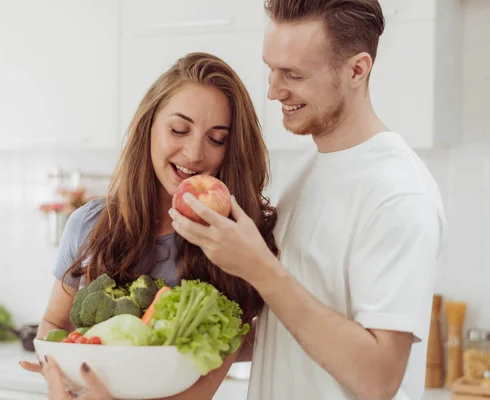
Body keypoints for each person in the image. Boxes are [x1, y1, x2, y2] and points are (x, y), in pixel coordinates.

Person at [170, 1, 448, 399]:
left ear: (357, 69)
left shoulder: (397, 193)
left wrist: (260, 268)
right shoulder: (307, 171)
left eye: (293, 75)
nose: (273, 90)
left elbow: (380, 377)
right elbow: (288, 333)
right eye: (271, 68)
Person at [19, 52, 279, 399]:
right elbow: (54, 324)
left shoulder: (234, 240)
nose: (194, 153)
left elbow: (204, 385)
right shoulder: (90, 223)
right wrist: (60, 373)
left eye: (217, 139)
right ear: (149, 125)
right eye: (179, 130)